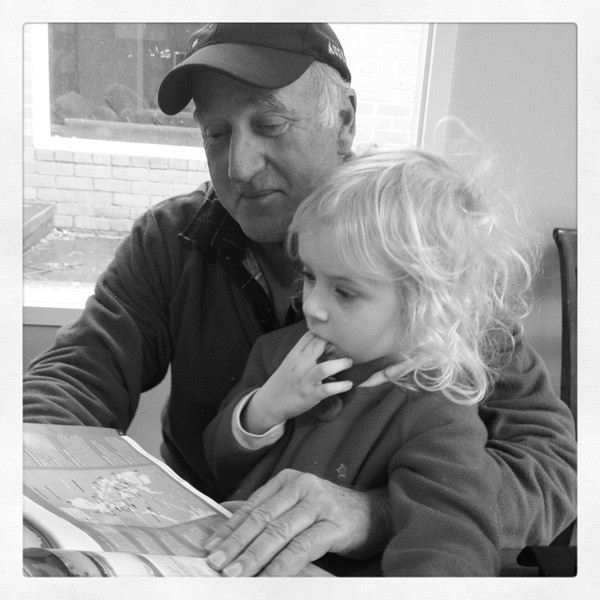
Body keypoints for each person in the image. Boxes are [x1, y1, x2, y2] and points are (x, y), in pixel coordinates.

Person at [23, 23, 576, 577]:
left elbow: (553, 468)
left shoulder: (427, 250)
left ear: (344, 121)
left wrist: (379, 513)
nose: (239, 166)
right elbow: (76, 378)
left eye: (271, 124)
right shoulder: (170, 239)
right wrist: (27, 465)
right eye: (215, 133)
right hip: (201, 554)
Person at [203, 146, 533, 576]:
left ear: (423, 303)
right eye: (309, 276)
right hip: (221, 558)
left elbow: (451, 542)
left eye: (344, 292)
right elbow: (219, 462)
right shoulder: (280, 351)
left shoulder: (436, 408)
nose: (311, 306)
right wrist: (263, 408)